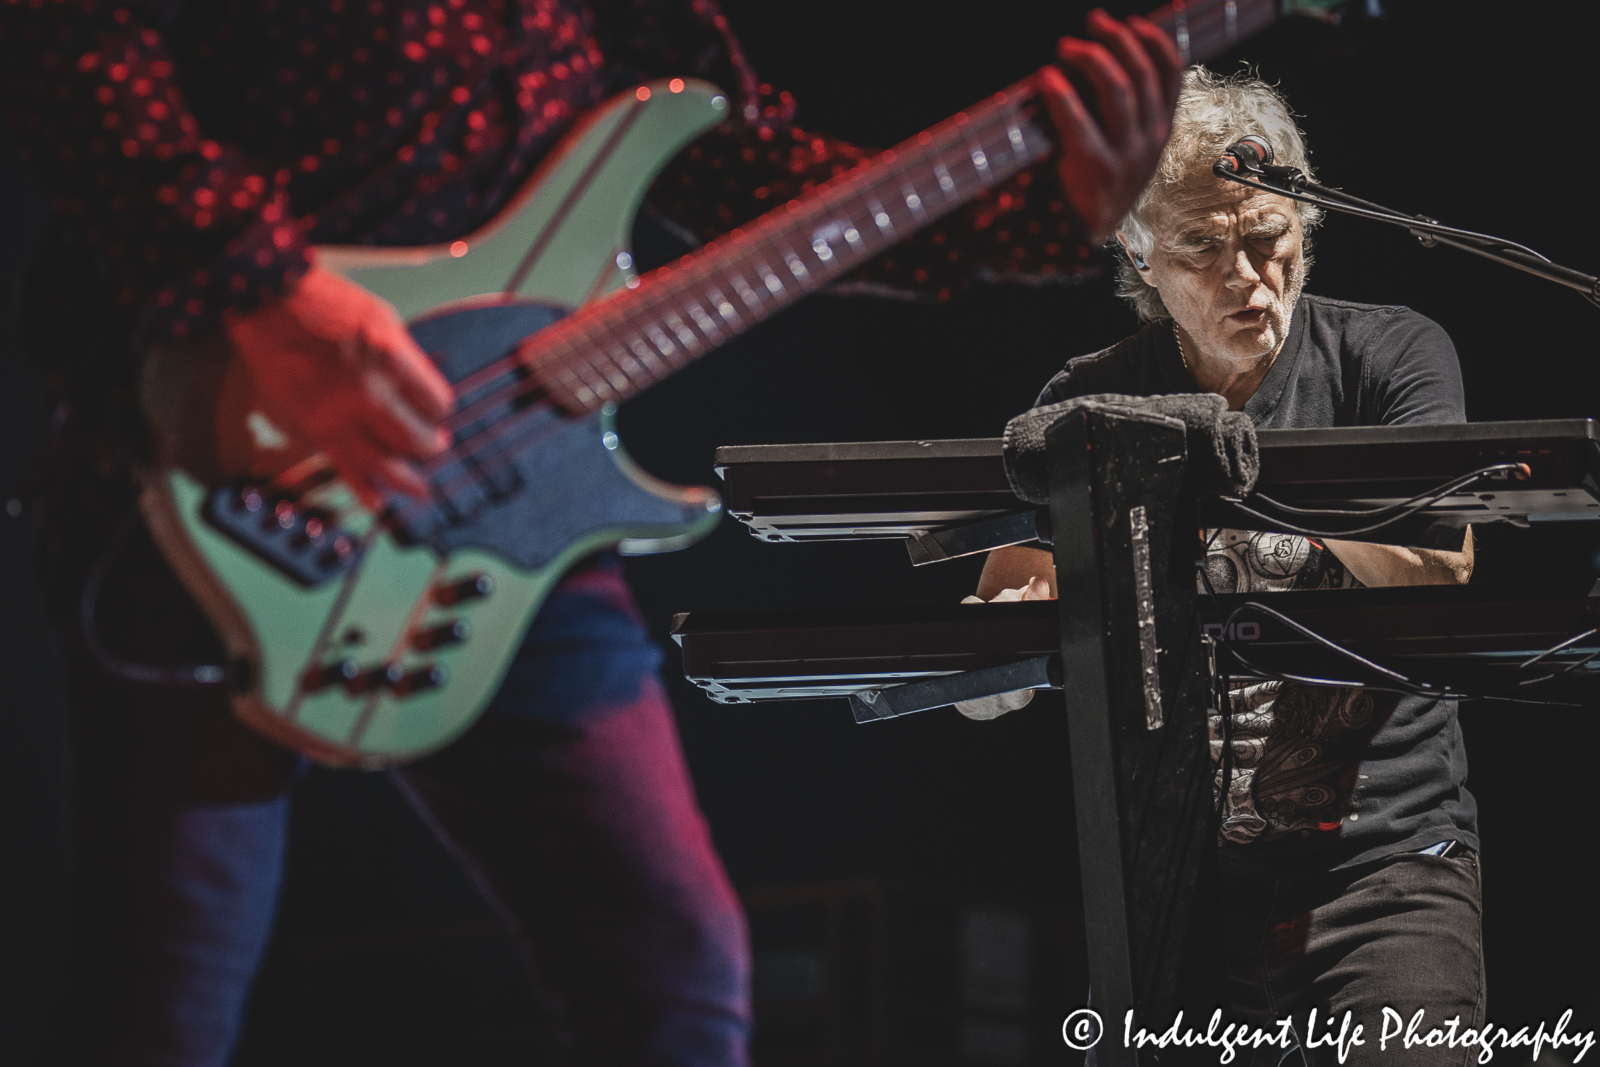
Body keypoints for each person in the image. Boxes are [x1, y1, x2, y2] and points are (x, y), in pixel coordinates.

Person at [0, 2, 1181, 1064]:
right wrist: (263, 286)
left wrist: (1041, 209)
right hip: (225, 473)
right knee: (162, 1002)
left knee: (673, 971)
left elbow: (742, 176)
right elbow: (65, 40)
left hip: (511, 508)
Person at [959, 68, 1483, 1067]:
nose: (1244, 274)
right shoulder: (1090, 395)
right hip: (1172, 872)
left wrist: (1201, 557)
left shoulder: (1391, 355)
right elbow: (1009, 585)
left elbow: (1440, 567)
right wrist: (1006, 637)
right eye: (1202, 245)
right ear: (1137, 251)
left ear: (1306, 221)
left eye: (1267, 237)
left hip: (1386, 864)